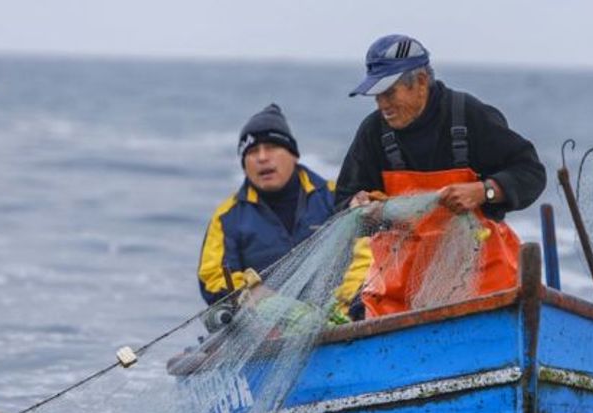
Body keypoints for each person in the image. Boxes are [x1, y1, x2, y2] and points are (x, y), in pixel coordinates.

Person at [336, 34, 546, 318]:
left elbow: (530, 171)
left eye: (390, 93)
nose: (382, 105)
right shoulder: (373, 132)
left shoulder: (468, 115)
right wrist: (357, 206)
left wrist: (485, 191)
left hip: (484, 287)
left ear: (421, 81)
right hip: (399, 297)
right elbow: (343, 201)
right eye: (377, 95)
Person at [198, 104, 336, 305]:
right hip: (260, 319)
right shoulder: (227, 216)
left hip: (338, 312)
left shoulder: (335, 197)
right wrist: (249, 292)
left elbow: (364, 256)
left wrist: (343, 303)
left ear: (293, 154)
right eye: (253, 151)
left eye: (271, 147)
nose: (262, 157)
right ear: (244, 165)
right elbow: (212, 277)